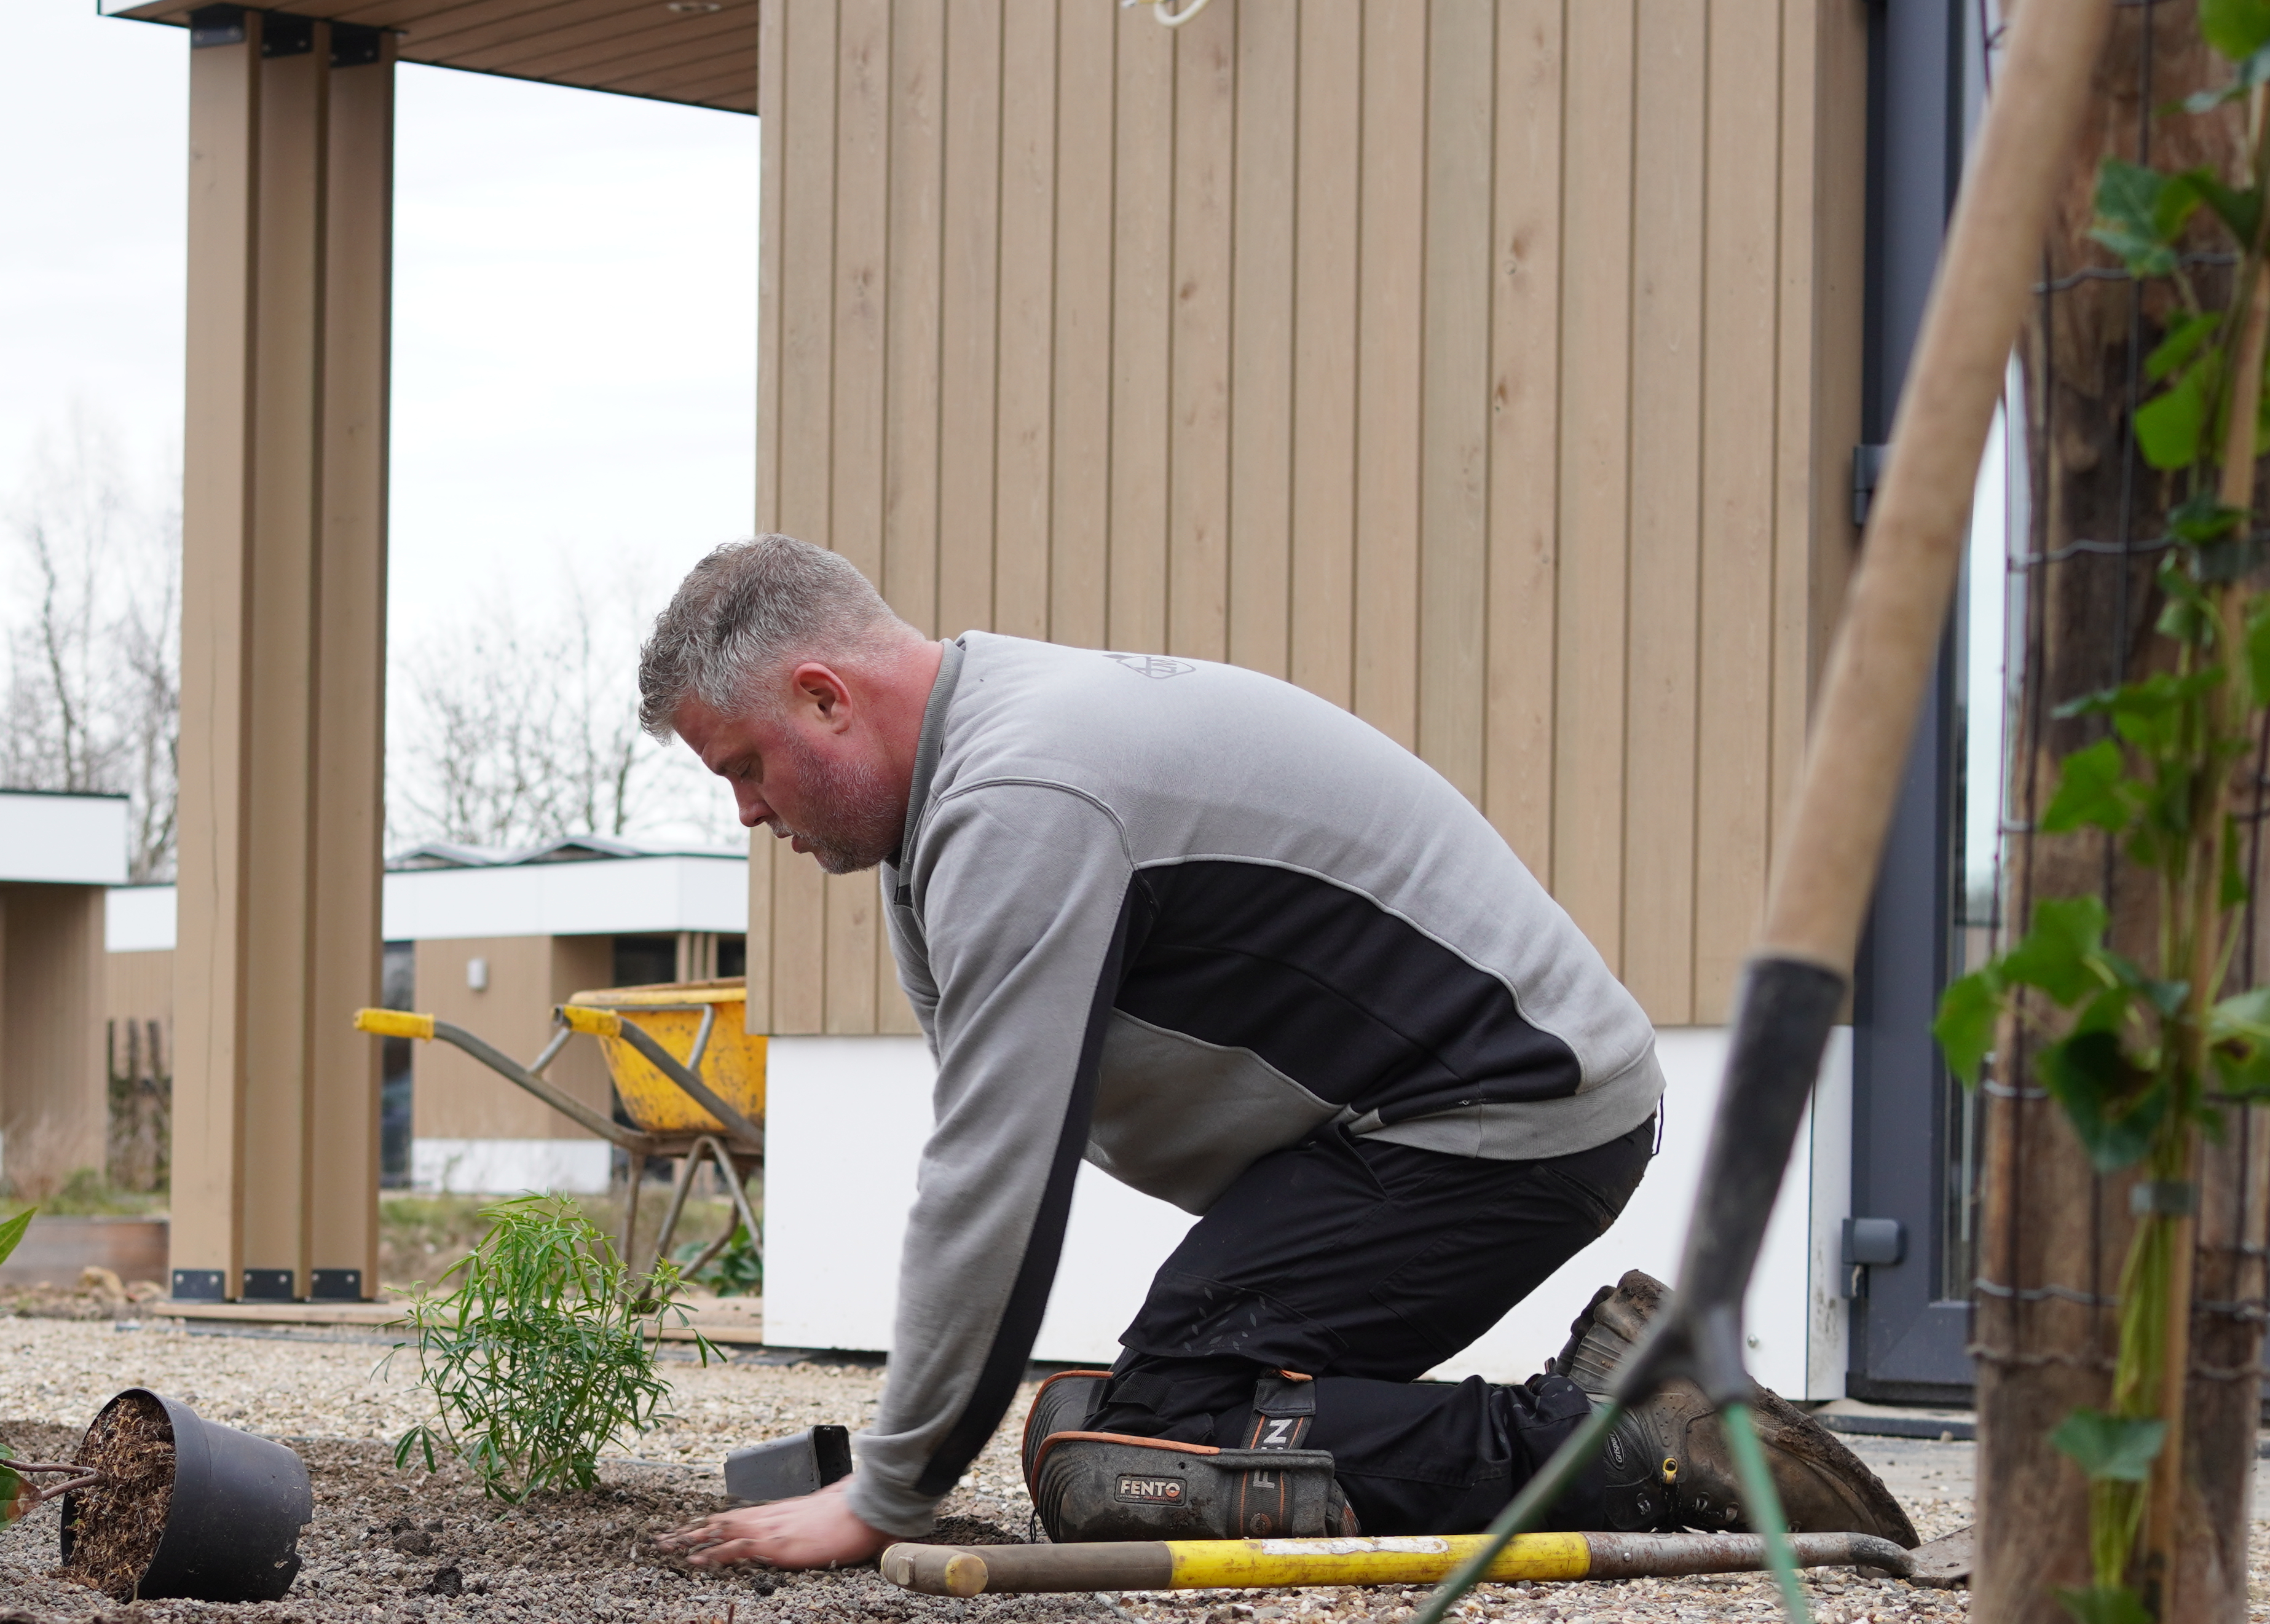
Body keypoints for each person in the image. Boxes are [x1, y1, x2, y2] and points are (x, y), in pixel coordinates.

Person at [644, 535, 1912, 1571]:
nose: (751, 813)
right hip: (1443, 1110)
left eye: (746, 767)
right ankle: (1614, 1376)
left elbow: (998, 1174)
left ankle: (1643, 1445)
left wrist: (886, 1492)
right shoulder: (981, 776)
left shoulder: (1019, 799)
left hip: (1506, 1116)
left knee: (1148, 1439)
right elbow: (1001, 1136)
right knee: (1126, 1426)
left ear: (824, 695)